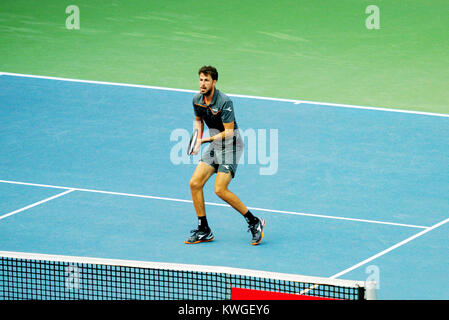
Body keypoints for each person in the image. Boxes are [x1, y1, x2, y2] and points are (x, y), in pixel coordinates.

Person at [185, 66, 266, 246]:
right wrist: (197, 139)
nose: (202, 84)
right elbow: (198, 122)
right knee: (195, 183)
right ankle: (204, 229)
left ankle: (254, 222)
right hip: (215, 144)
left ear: (214, 82)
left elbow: (229, 133)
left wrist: (204, 140)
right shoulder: (197, 99)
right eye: (200, 80)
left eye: (206, 80)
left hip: (231, 145)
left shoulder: (225, 101)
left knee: (220, 189)